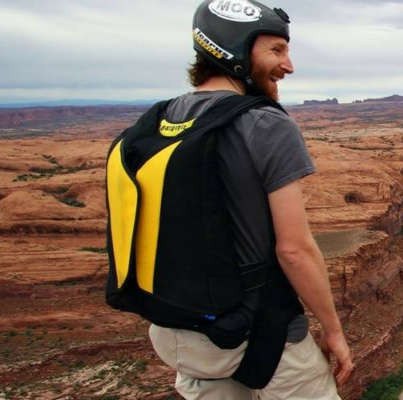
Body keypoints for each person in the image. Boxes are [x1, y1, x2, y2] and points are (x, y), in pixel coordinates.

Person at [107, 0, 352, 398]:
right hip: (264, 336)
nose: (288, 66)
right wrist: (335, 331)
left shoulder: (158, 123)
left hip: (181, 338)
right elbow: (295, 251)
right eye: (276, 50)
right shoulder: (265, 123)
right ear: (233, 50)